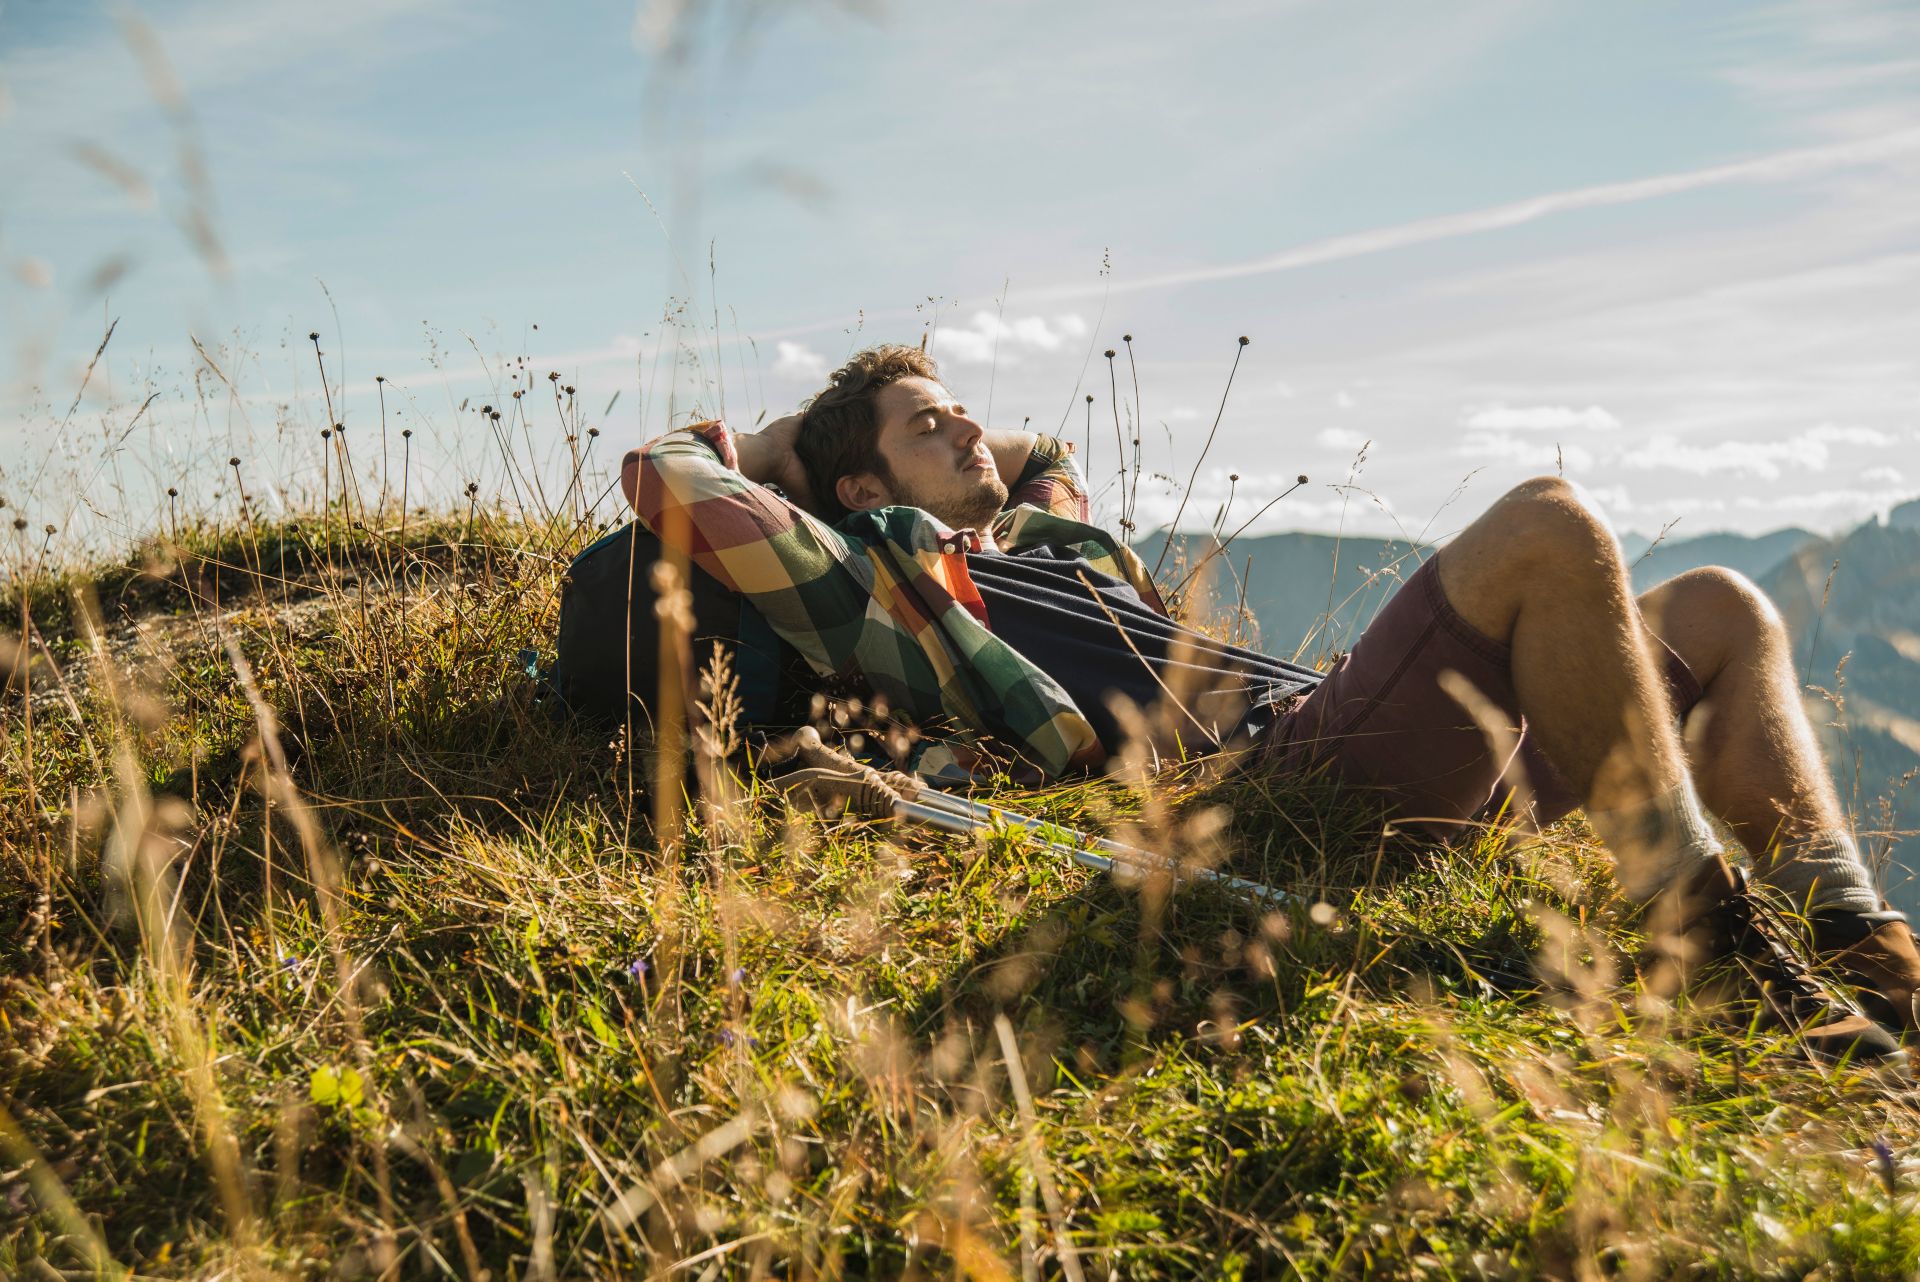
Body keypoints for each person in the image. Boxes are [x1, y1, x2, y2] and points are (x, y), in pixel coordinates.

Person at [622, 344, 1920, 1067]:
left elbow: (1040, 457)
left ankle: (1863, 943)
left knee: (1719, 607)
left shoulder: (1045, 539)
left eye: (964, 414)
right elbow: (672, 483)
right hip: (1275, 784)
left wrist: (929, 423)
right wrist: (789, 443)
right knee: (1548, 525)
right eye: (927, 430)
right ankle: (1707, 936)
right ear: (855, 491)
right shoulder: (878, 581)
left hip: (1366, 733)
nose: (971, 434)